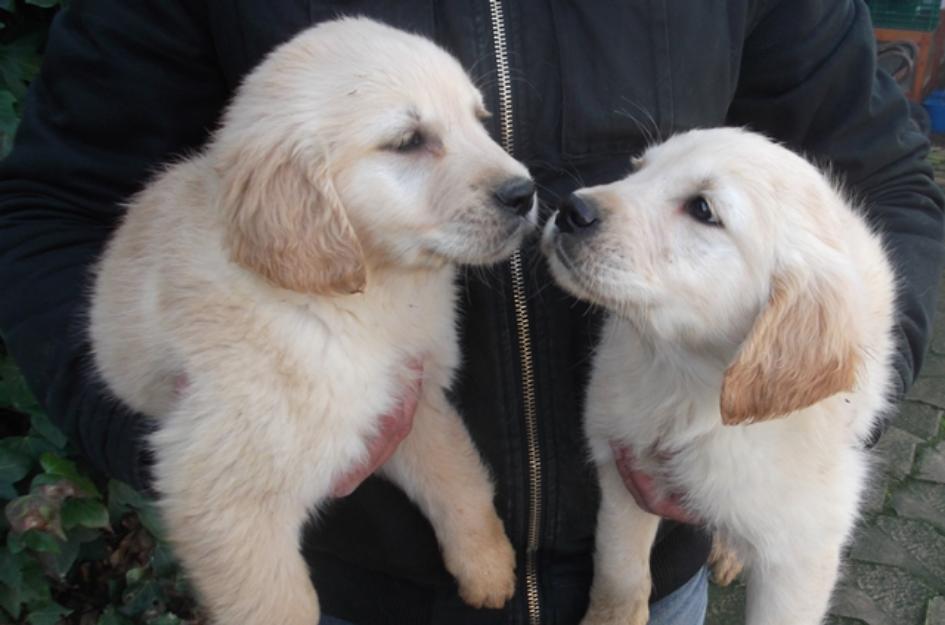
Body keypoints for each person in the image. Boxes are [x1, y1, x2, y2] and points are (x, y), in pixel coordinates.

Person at [1, 2, 942, 624]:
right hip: (353, 581)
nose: (522, 185)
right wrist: (165, 427)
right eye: (410, 140)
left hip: (657, 578)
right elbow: (55, 207)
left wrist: (837, 400)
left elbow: (886, 180)